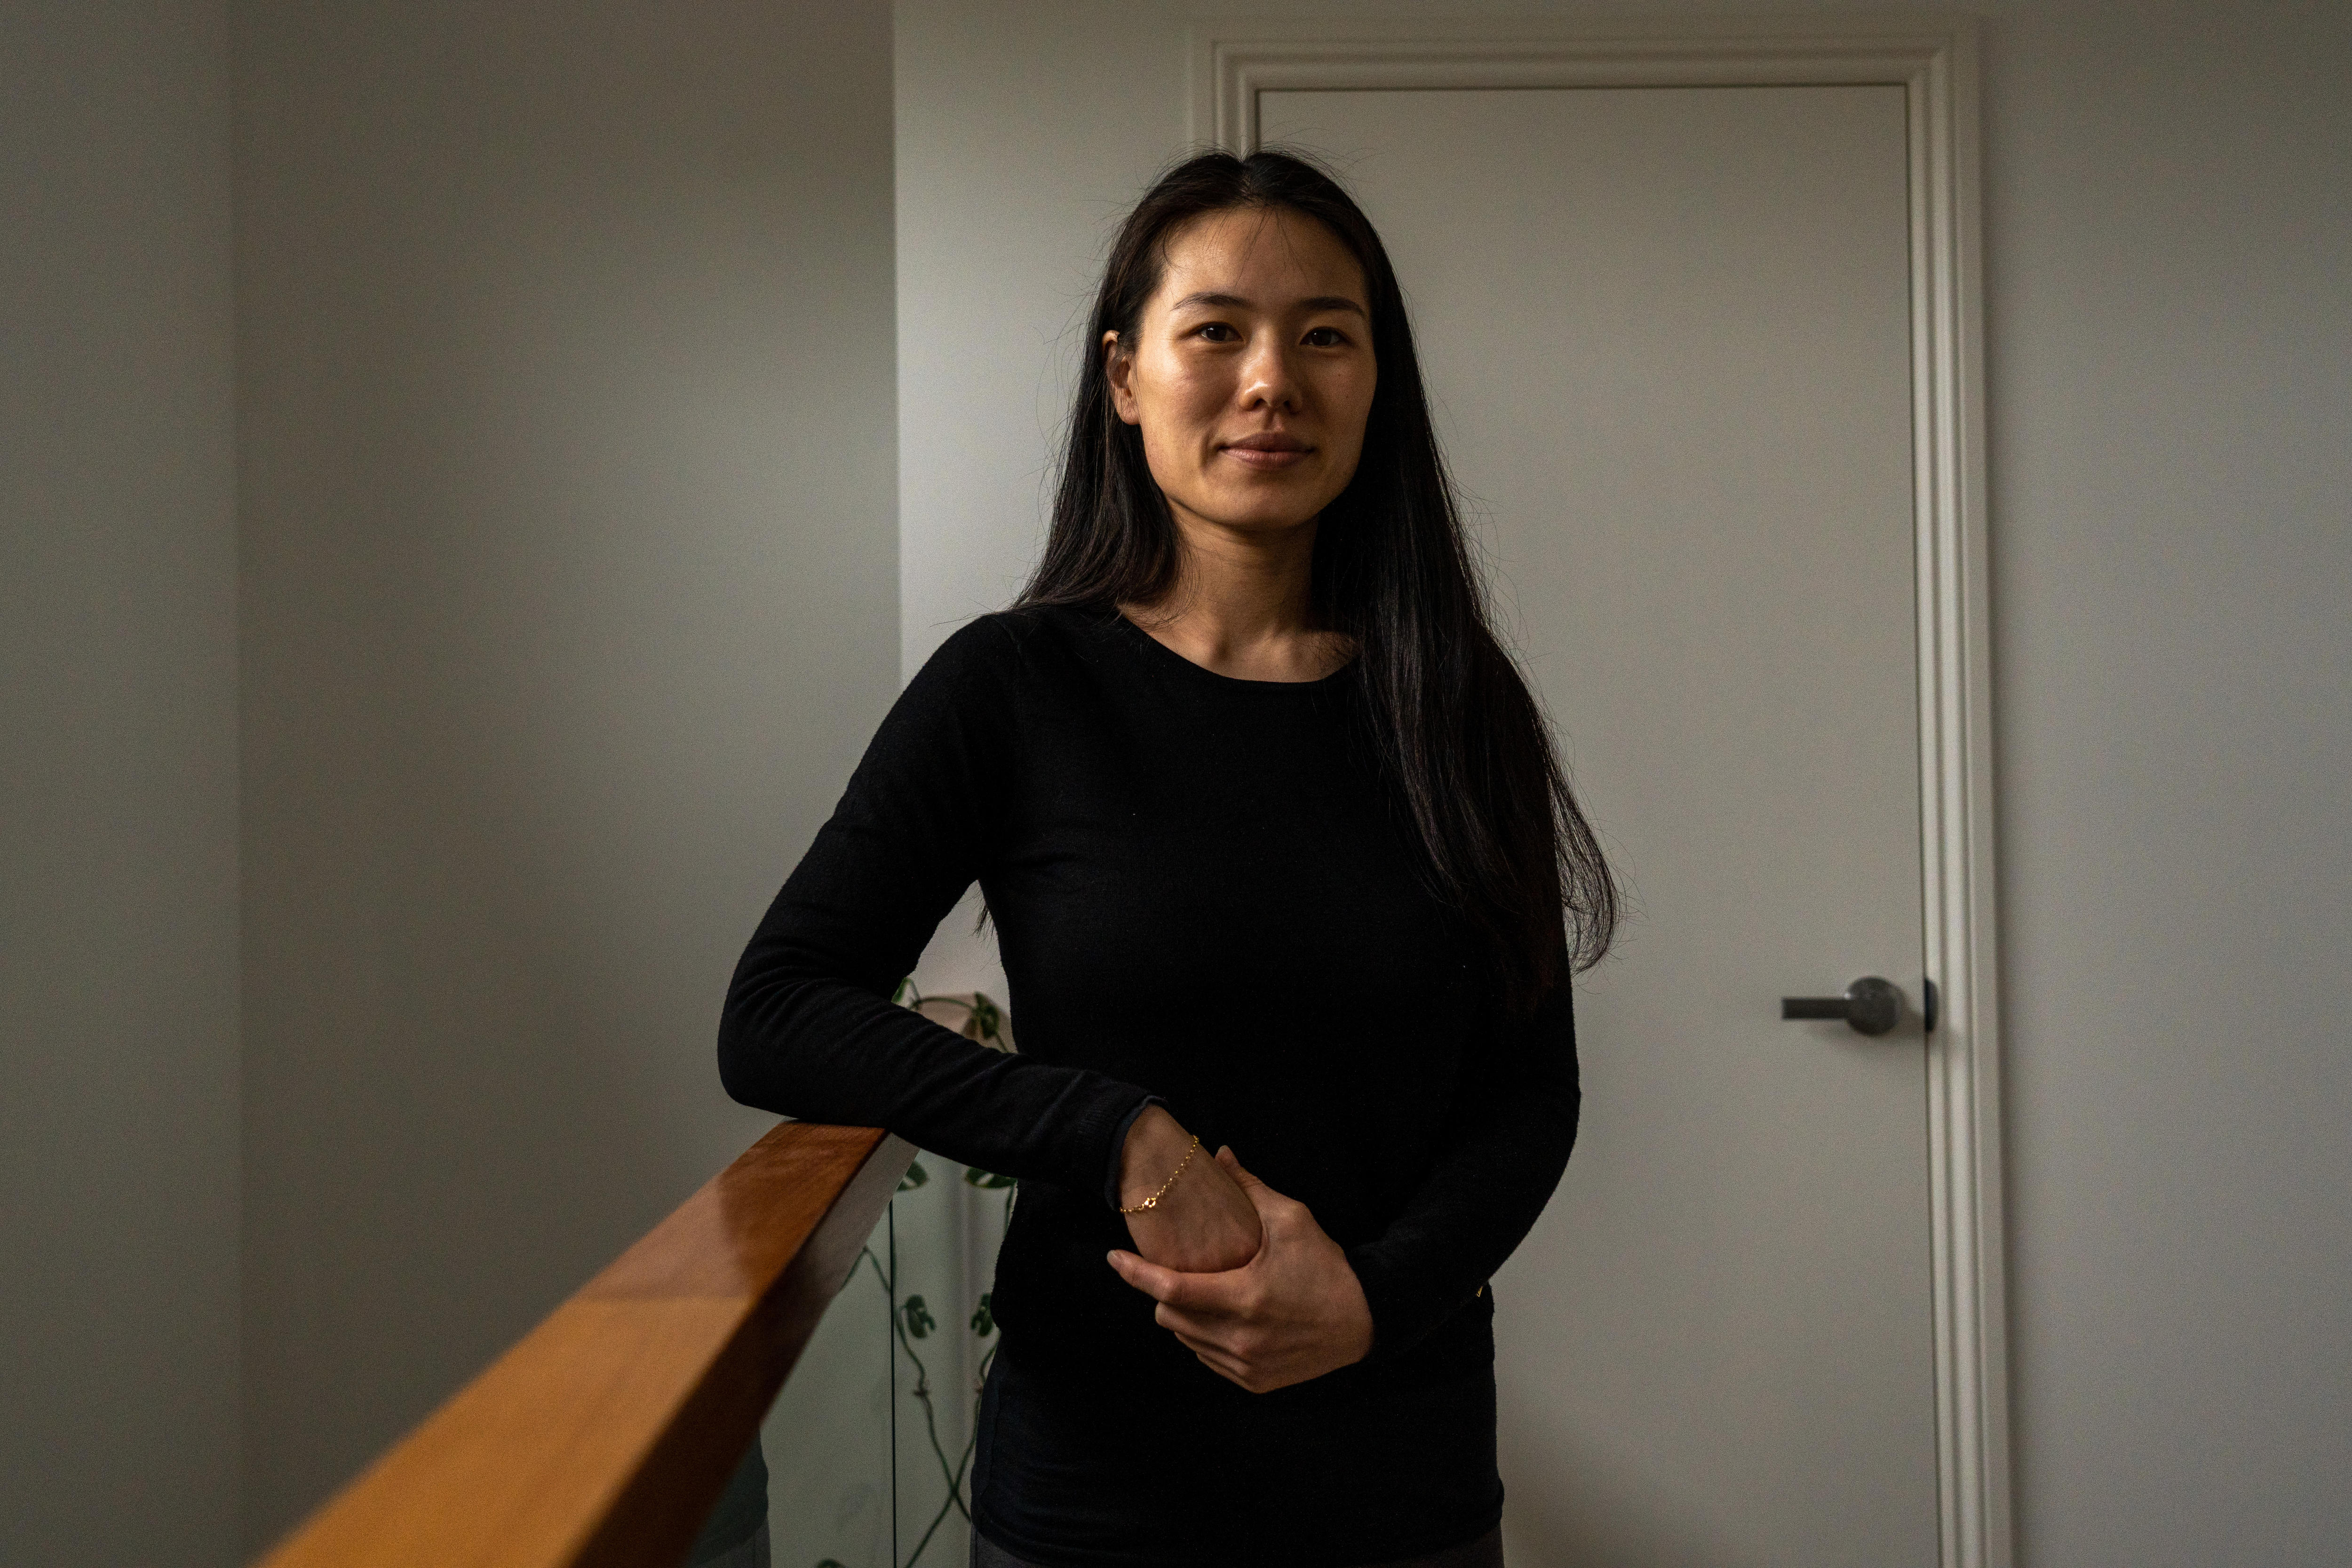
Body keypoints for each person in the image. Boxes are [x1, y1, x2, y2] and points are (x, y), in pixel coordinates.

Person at [719, 149, 1616, 1568]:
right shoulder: (1010, 688)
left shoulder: (1455, 699)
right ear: (1127, 374)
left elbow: (1530, 1093)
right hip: (1098, 1491)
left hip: (1405, 1484)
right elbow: (776, 1012)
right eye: (1219, 333)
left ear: (1379, 385)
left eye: (1327, 335)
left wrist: (1373, 1302)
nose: (1274, 381)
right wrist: (1117, 1132)